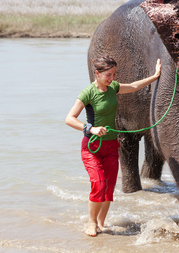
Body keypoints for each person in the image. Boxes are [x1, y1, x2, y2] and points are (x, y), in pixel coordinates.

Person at [65, 55, 161, 237]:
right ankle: (91, 222)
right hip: (92, 147)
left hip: (111, 146)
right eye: (108, 74)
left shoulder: (113, 88)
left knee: (108, 187)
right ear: (97, 73)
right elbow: (69, 119)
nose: (112, 78)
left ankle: (101, 223)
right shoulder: (88, 93)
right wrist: (91, 129)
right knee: (99, 184)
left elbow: (133, 86)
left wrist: (155, 76)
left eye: (114, 74)